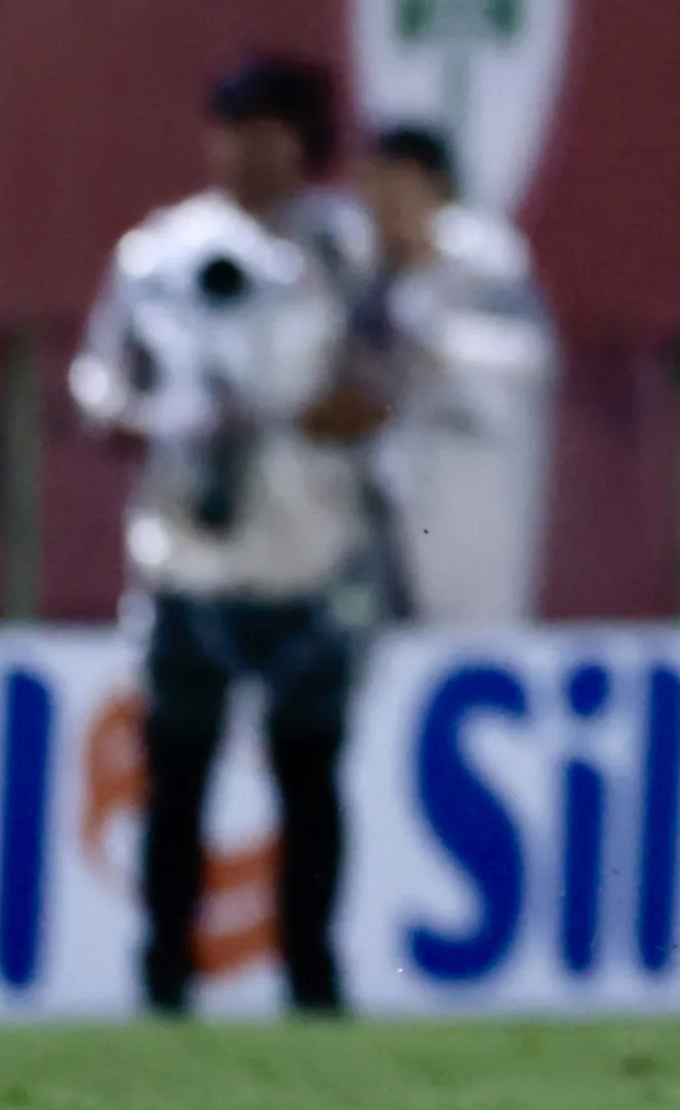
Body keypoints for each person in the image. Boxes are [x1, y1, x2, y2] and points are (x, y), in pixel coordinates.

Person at [67, 55, 384, 1016]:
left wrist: (291, 415)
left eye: (268, 132)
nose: (245, 153)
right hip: (187, 555)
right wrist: (166, 420)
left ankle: (311, 978)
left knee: (310, 776)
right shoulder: (159, 253)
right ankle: (164, 976)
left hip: (308, 550)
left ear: (304, 142)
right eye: (230, 130)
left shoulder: (342, 249)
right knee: (178, 777)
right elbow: (98, 384)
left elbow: (379, 381)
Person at [356, 126, 556, 626]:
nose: (386, 204)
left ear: (434, 188)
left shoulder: (482, 258)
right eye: (374, 188)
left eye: (398, 187)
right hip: (384, 487)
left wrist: (439, 344)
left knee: (466, 632)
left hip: (468, 477)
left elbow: (530, 355)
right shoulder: (366, 271)